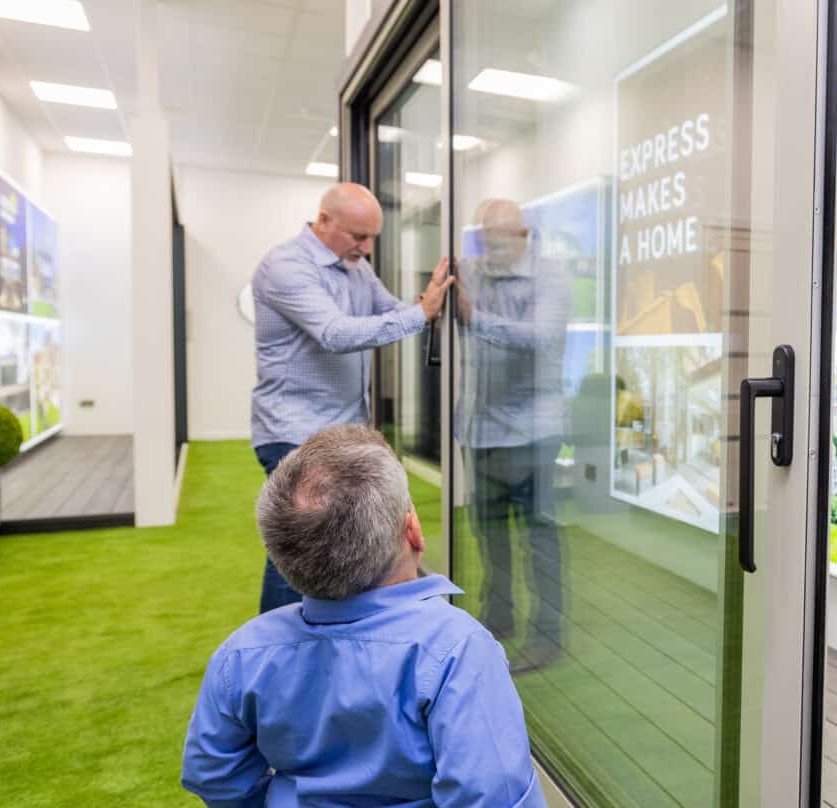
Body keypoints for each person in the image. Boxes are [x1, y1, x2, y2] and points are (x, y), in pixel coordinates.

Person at [181, 424, 546, 808]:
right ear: (414, 532)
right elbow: (496, 797)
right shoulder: (456, 650)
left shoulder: (242, 654)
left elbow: (213, 774)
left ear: (282, 557)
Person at [250, 182, 453, 613]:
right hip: (294, 432)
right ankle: (280, 661)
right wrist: (421, 314)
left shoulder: (356, 266)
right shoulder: (285, 266)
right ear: (323, 220)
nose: (366, 247)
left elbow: (390, 310)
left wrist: (427, 299)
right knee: (301, 554)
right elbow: (335, 332)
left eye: (372, 237)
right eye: (358, 236)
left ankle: (332, 652)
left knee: (342, 549)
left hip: (343, 432)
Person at [454, 198, 570, 672]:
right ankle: (497, 618)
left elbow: (541, 337)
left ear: (523, 235)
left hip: (532, 431)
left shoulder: (552, 274)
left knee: (537, 537)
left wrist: (474, 317)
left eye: (500, 241)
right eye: (485, 240)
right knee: (488, 532)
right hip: (480, 428)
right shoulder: (473, 269)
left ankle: (547, 638)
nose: (491, 251)